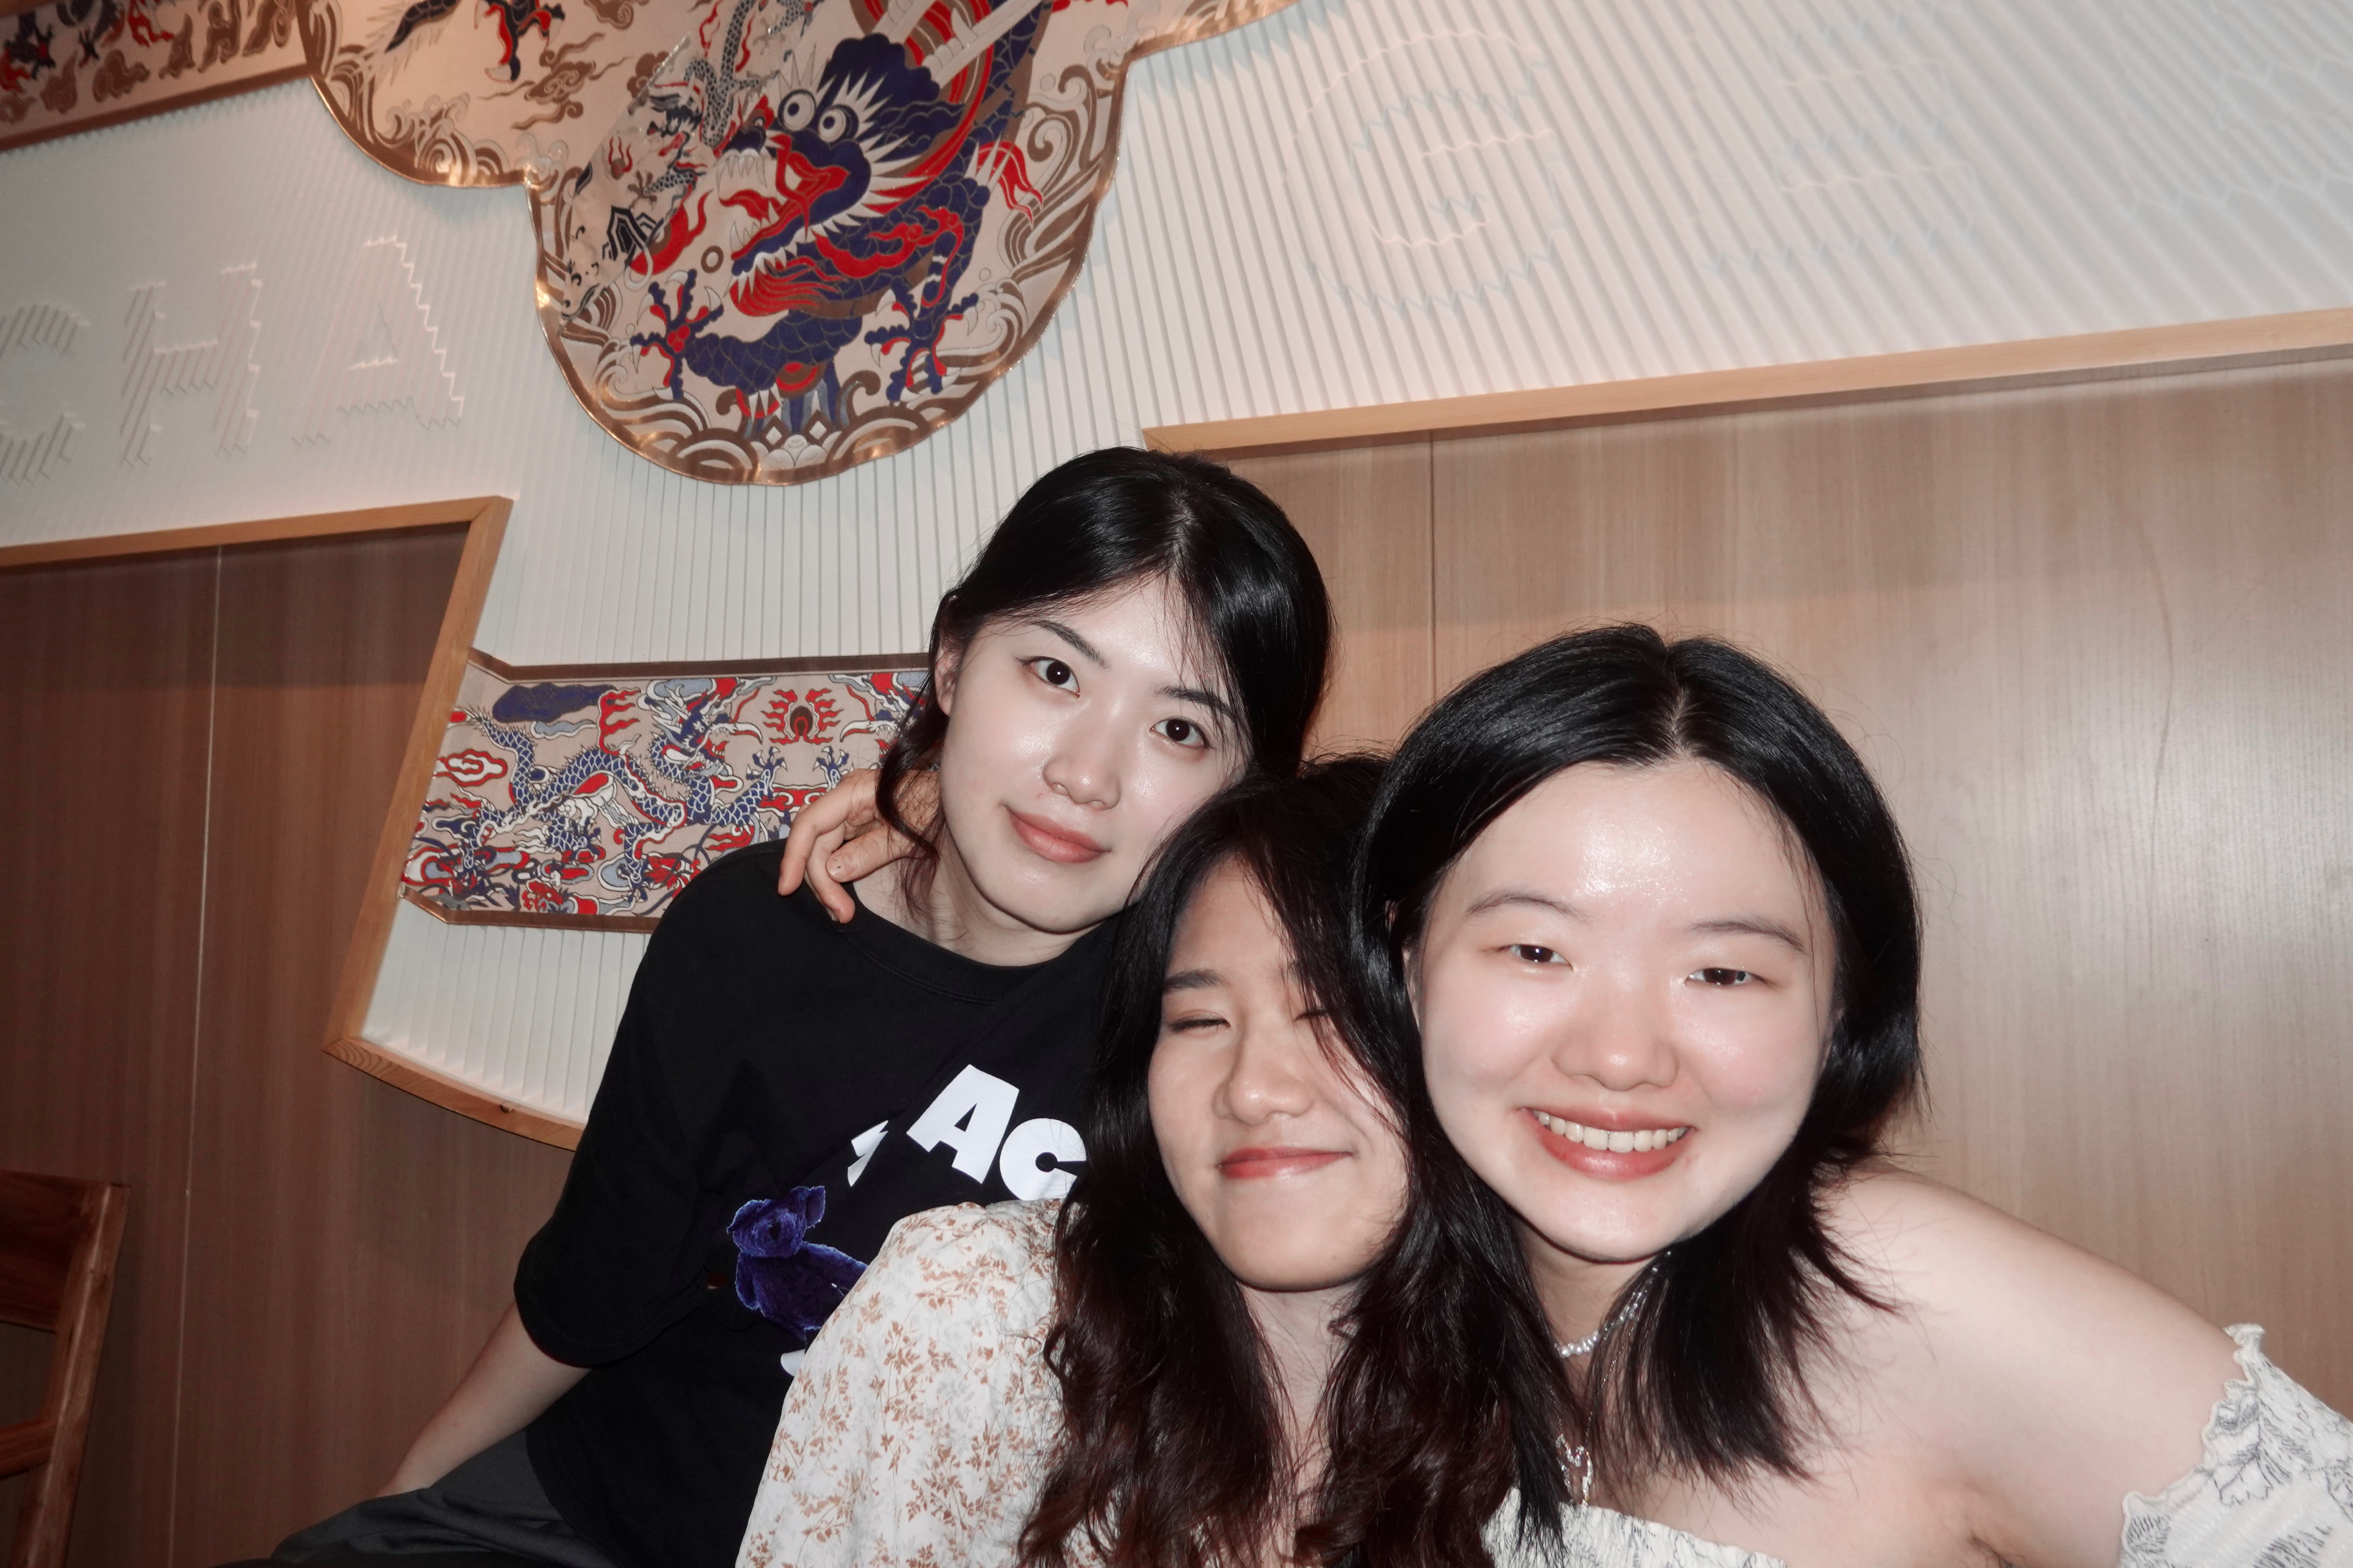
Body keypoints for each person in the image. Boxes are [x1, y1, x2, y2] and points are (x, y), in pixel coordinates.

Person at [267, 448, 1332, 1568]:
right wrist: (407, 1493)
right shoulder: (755, 933)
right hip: (599, 1515)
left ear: (1246, 788)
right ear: (954, 660)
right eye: (1054, 673)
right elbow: (596, 1286)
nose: (1086, 774)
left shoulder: (1214, 1025)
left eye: (1180, 730)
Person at [1347, 623, 2353, 1567]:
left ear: (1838, 1008)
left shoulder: (1906, 1295)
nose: (1619, 1057)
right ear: (1408, 961)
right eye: (1535, 952)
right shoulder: (1422, 1312)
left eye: (1723, 973)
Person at [736, 759, 1580, 1568]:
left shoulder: (1582, 1411)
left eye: (1328, 1012)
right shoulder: (976, 1318)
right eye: (1200, 1021)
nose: (1251, 1090)